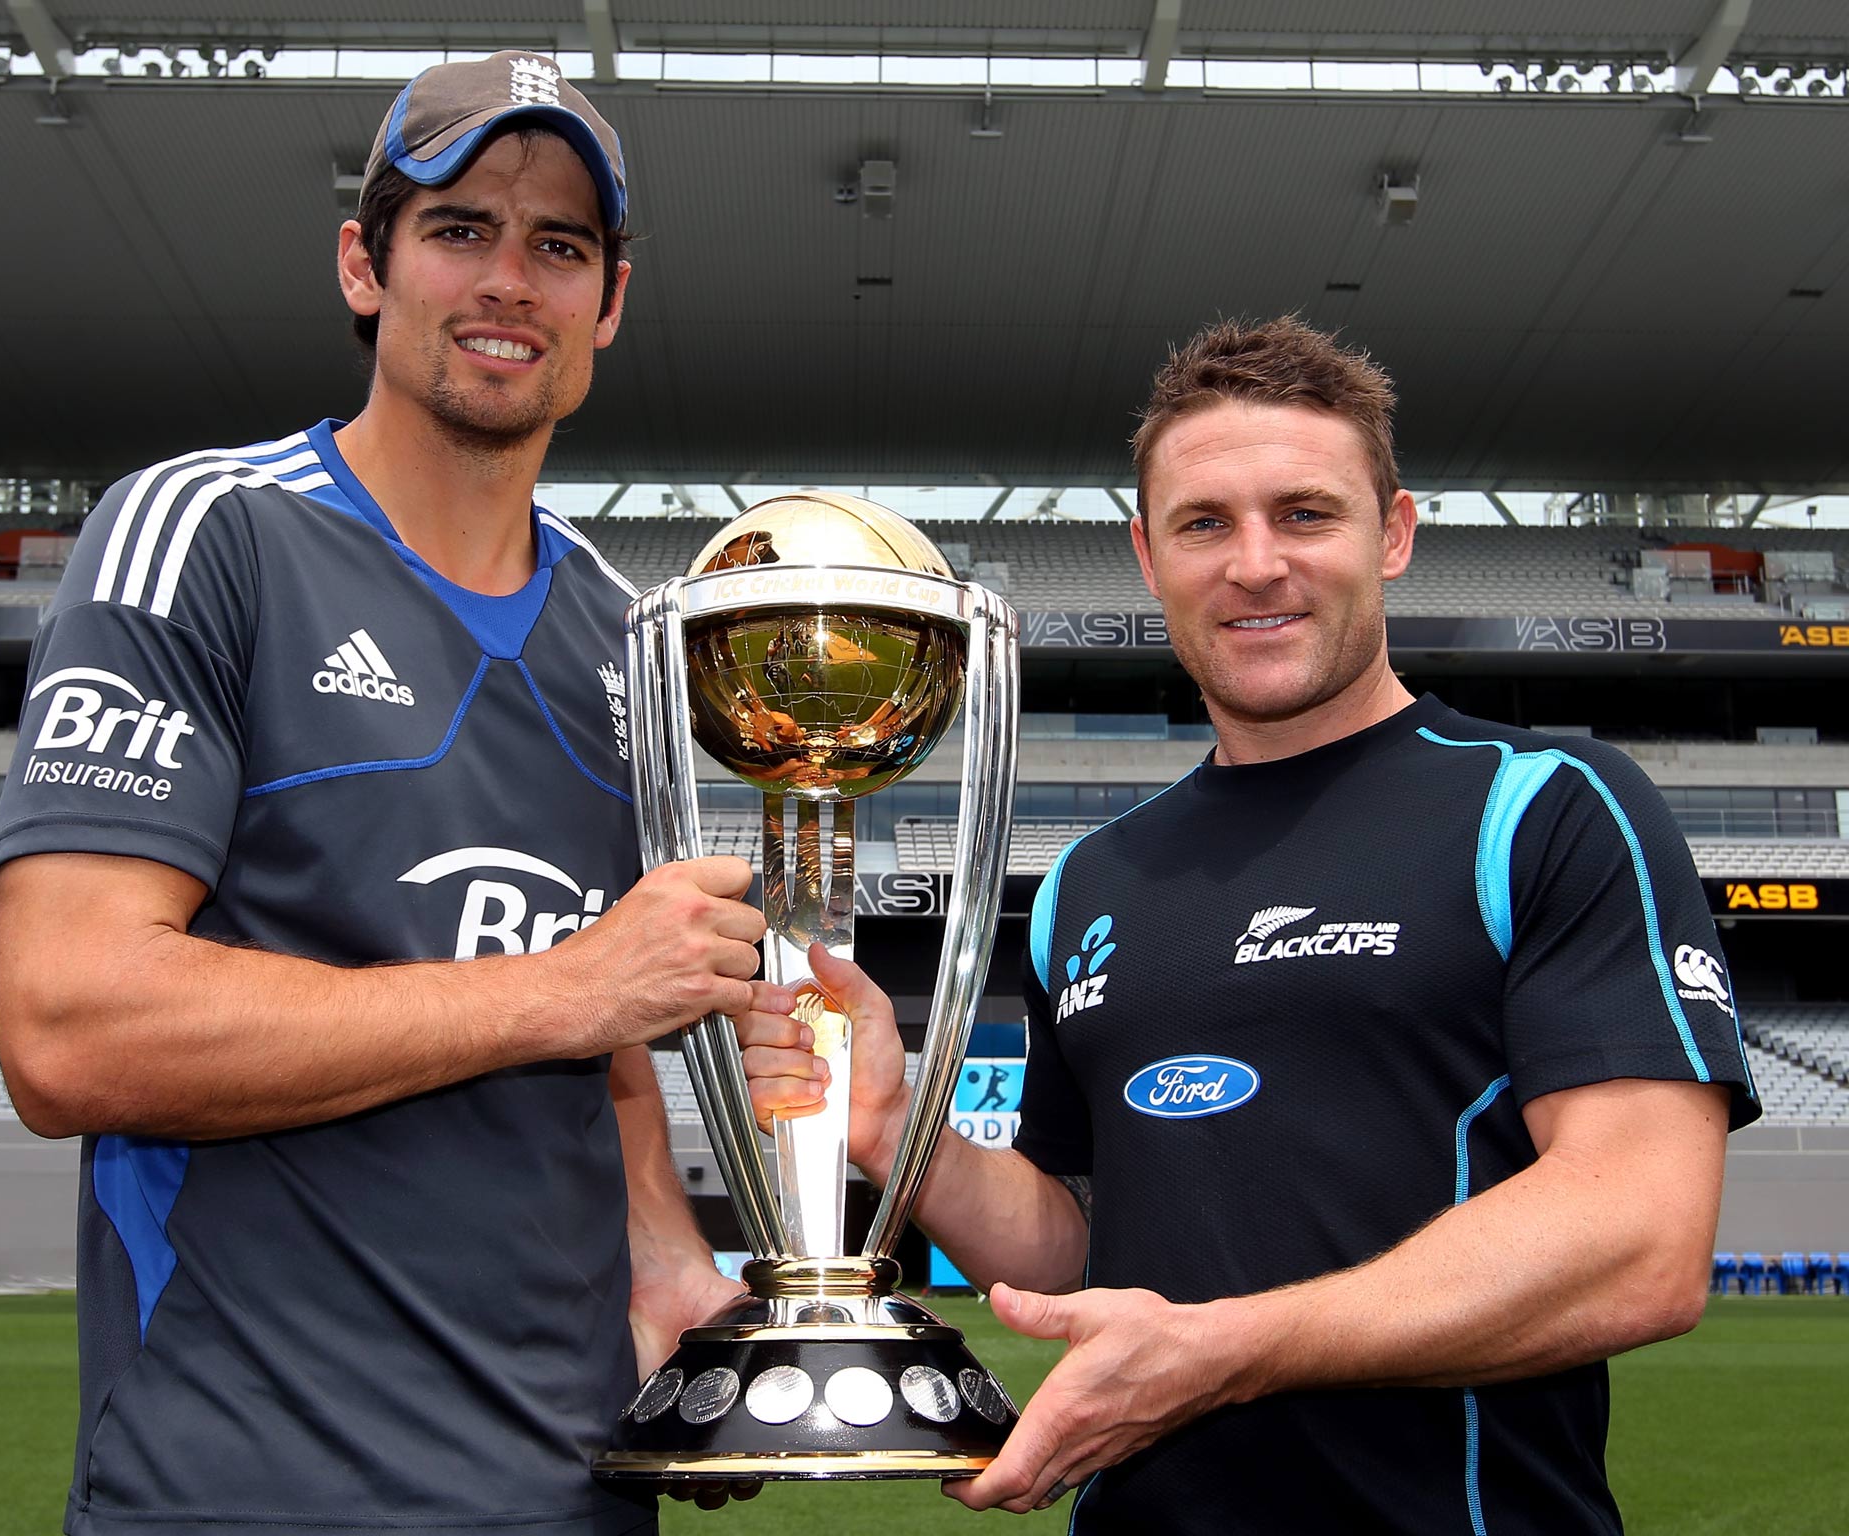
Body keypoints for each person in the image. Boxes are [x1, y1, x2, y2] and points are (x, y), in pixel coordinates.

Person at [737, 316, 1758, 1533]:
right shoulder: (1091, 883)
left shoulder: (1542, 808)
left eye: (1304, 514)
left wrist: (1223, 1351)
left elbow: (1638, 1240)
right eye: (1204, 523)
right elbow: (1077, 1246)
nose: (1254, 563)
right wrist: (904, 1134)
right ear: (1146, 553)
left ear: (1393, 534)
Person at [0, 53, 757, 1536]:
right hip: (245, 1491)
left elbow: (619, 1033)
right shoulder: (204, 534)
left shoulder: (627, 628)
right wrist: (566, 990)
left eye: (561, 247)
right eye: (459, 229)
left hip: (576, 1488)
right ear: (366, 265)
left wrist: (666, 1258)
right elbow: (64, 1022)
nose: (508, 282)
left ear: (609, 302)